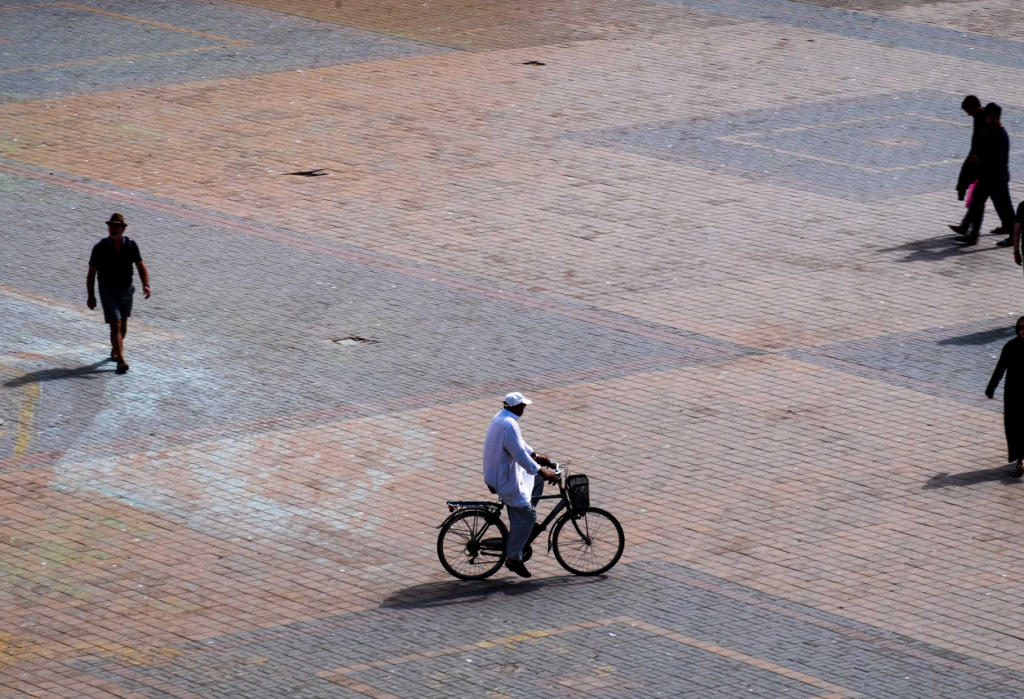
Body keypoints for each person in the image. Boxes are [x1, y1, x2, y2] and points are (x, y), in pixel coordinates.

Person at [481, 392, 558, 578]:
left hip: (497, 473)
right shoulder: (510, 424)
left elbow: (518, 444)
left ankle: (522, 521)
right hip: (504, 479)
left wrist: (537, 456)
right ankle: (513, 558)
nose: (524, 408)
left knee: (536, 482)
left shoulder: (501, 418)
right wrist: (542, 470)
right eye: (523, 405)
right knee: (529, 514)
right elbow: (519, 455)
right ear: (516, 407)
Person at [87, 213, 150, 374]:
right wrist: (91, 295)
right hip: (107, 290)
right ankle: (121, 360)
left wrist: (146, 284)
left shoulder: (130, 245)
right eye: (111, 226)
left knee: (123, 323)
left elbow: (140, 265)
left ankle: (115, 349)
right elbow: (91, 273)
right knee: (115, 324)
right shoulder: (100, 247)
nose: (113, 229)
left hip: (126, 290)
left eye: (117, 226)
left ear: (122, 229)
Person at [960, 103, 1016, 247]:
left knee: (1007, 209)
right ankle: (973, 236)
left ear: (995, 117)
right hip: (987, 177)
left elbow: (997, 160)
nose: (985, 120)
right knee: (976, 204)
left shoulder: (1001, 136)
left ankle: (1014, 237)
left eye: (988, 117)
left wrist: (979, 159)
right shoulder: (990, 132)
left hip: (998, 178)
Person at [986, 318, 1024, 476]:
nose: (1023, 330)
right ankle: (1020, 459)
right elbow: (1000, 367)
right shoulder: (1011, 346)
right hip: (1014, 393)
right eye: (1021, 327)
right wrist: (991, 387)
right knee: (1015, 426)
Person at [949, 95, 985, 236]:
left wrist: (978, 159)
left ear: (975, 107)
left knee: (978, 200)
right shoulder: (979, 118)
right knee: (981, 199)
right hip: (983, 165)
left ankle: (971, 232)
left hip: (989, 170)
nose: (967, 114)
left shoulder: (985, 121)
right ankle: (966, 227)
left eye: (968, 111)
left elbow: (986, 145)